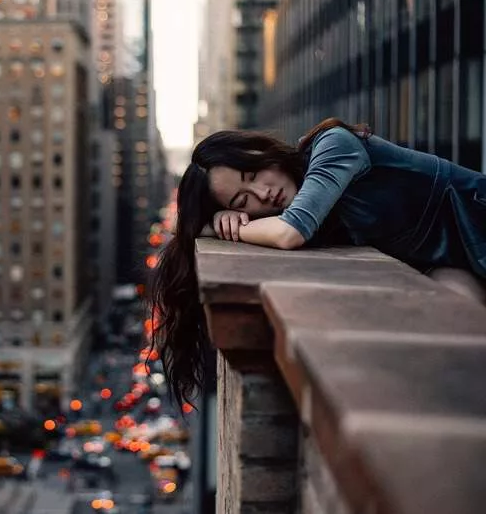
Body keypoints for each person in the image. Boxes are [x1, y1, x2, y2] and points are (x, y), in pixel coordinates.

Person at [149, 117, 486, 408]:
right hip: (452, 261)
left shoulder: (333, 145)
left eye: (253, 173)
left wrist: (233, 228)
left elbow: (290, 232)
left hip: (478, 226)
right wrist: (215, 223)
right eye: (243, 200)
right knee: (454, 330)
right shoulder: (316, 208)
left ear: (262, 150)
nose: (263, 194)